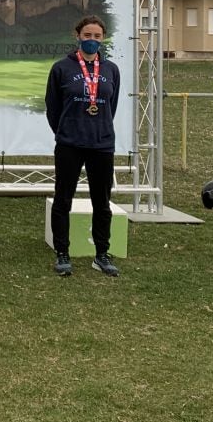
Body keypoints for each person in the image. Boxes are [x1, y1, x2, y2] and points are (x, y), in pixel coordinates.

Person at [45, 15, 122, 277]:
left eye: (97, 36)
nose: (92, 40)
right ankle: (62, 253)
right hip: (70, 143)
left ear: (103, 38)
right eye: (87, 35)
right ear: (77, 36)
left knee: (102, 202)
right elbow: (53, 109)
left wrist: (99, 128)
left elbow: (110, 107)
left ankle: (102, 253)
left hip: (101, 144)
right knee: (63, 199)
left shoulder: (111, 69)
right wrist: (66, 132)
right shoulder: (61, 68)